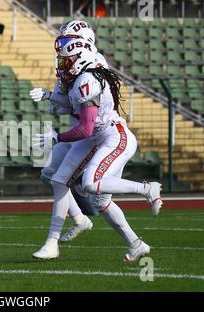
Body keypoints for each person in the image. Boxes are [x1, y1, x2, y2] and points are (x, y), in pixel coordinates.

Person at [31, 36, 163, 262]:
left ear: (79, 60)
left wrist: (57, 137)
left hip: (112, 136)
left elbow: (84, 128)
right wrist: (49, 95)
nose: (61, 65)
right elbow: (73, 108)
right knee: (60, 181)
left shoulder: (86, 81)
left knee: (91, 183)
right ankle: (134, 244)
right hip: (95, 137)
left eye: (65, 60)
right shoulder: (81, 79)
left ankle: (147, 189)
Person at [30, 21, 106, 241]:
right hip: (79, 132)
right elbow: (59, 106)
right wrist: (51, 96)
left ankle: (146, 191)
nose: (64, 46)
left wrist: (52, 97)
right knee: (48, 176)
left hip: (94, 135)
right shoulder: (73, 63)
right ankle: (80, 219)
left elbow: (70, 105)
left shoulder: (92, 68)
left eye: (68, 40)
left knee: (96, 194)